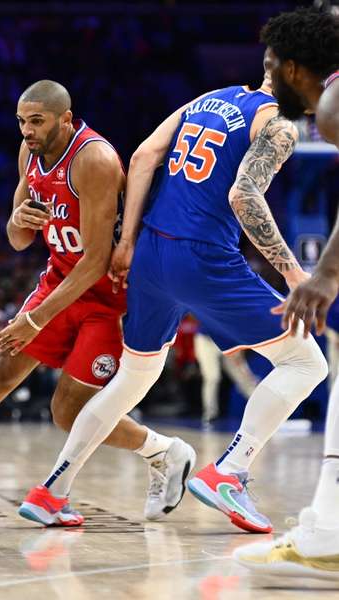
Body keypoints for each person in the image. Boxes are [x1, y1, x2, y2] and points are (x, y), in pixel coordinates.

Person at [19, 55, 329, 535]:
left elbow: (143, 156)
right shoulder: (281, 124)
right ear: (296, 73)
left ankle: (51, 492)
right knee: (308, 363)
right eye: (324, 78)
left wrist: (126, 244)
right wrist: (295, 275)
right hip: (203, 256)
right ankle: (230, 470)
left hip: (149, 252)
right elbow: (243, 196)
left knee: (133, 378)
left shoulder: (212, 98)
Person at [0, 80, 193, 529]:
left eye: (37, 121)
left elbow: (97, 260)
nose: (27, 130)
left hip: (109, 297)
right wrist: (17, 220)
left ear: (65, 119)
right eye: (22, 121)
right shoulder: (28, 154)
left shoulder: (95, 160)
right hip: (59, 281)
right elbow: (18, 239)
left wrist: (34, 318)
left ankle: (162, 452)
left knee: (67, 411)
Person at [232, 6, 339, 579]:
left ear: (295, 67)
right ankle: (326, 530)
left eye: (271, 65)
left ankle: (326, 536)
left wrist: (321, 274)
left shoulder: (332, 101)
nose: (265, 78)